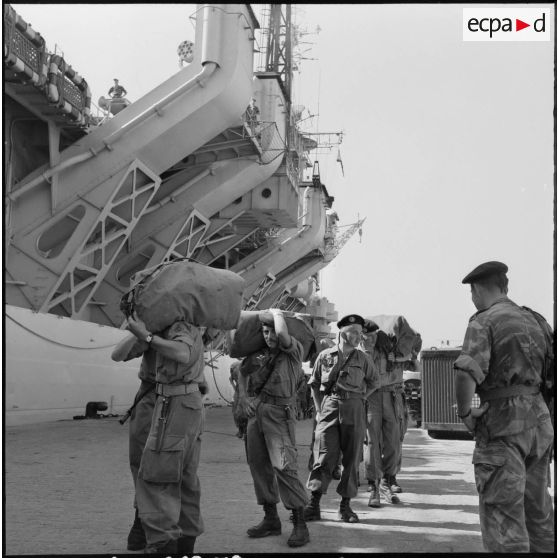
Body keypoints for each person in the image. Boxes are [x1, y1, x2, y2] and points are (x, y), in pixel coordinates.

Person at [454, 261, 555, 553]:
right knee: (539, 514)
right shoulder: (536, 320)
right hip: (540, 423)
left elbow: (467, 373)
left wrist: (466, 412)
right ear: (505, 287)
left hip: (502, 426)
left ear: (475, 290)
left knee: (503, 520)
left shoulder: (483, 321)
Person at [112, 311, 205, 555]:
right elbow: (117, 354)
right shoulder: (157, 328)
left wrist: (150, 338)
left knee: (161, 471)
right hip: (149, 396)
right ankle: (143, 520)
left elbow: (183, 353)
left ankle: (165, 541)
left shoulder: (183, 326)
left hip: (172, 400)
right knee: (141, 464)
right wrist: (143, 332)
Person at [237, 308, 310, 548]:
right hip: (257, 415)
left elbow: (281, 333)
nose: (269, 336)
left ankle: (300, 524)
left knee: (285, 466)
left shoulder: (292, 351)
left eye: (272, 332)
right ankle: (271, 519)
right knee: (258, 466)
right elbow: (240, 370)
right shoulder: (259, 355)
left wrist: (276, 312)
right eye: (265, 332)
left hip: (280, 414)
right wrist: (245, 399)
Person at [305, 314, 379, 523]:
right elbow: (314, 384)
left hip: (354, 407)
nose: (358, 336)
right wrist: (320, 411)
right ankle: (314, 504)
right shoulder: (325, 356)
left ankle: (345, 507)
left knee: (351, 458)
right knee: (324, 455)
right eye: (353, 332)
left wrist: (361, 397)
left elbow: (374, 382)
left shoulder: (363, 359)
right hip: (330, 406)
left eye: (360, 333)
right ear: (342, 333)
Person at [361, 327, 405, 507]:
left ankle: (388, 478)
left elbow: (411, 362)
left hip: (391, 396)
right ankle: (373, 483)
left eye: (372, 336)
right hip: (370, 397)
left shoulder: (387, 351)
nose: (369, 340)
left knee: (393, 440)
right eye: (366, 336)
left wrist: (398, 358)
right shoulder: (357, 354)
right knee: (371, 442)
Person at [229, 359, 247, 439]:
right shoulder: (240, 371)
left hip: (241, 393)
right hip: (241, 393)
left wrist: (232, 382)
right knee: (238, 412)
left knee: (239, 412)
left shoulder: (237, 370)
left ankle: (242, 432)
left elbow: (238, 388)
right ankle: (242, 431)